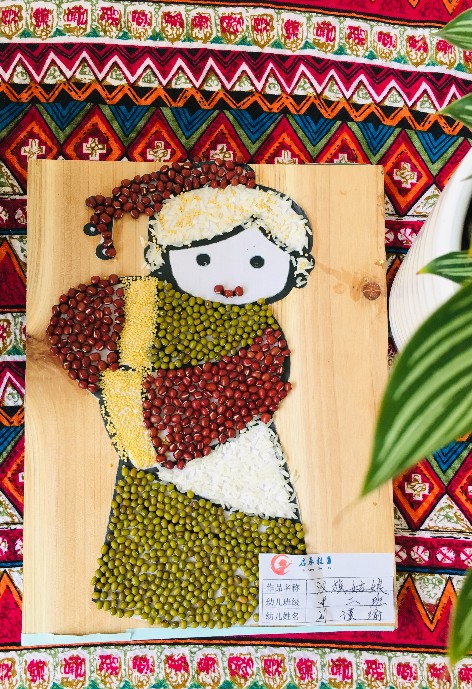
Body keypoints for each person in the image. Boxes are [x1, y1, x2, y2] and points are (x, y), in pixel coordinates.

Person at [47, 160, 314, 629]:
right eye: (203, 260)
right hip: (159, 449)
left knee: (250, 531)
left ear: (292, 270)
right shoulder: (141, 303)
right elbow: (76, 331)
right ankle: (149, 591)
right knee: (152, 533)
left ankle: (261, 600)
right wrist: (123, 393)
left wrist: (147, 407)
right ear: (166, 257)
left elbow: (253, 387)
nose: (228, 281)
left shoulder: (261, 335)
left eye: (257, 262)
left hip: (234, 452)